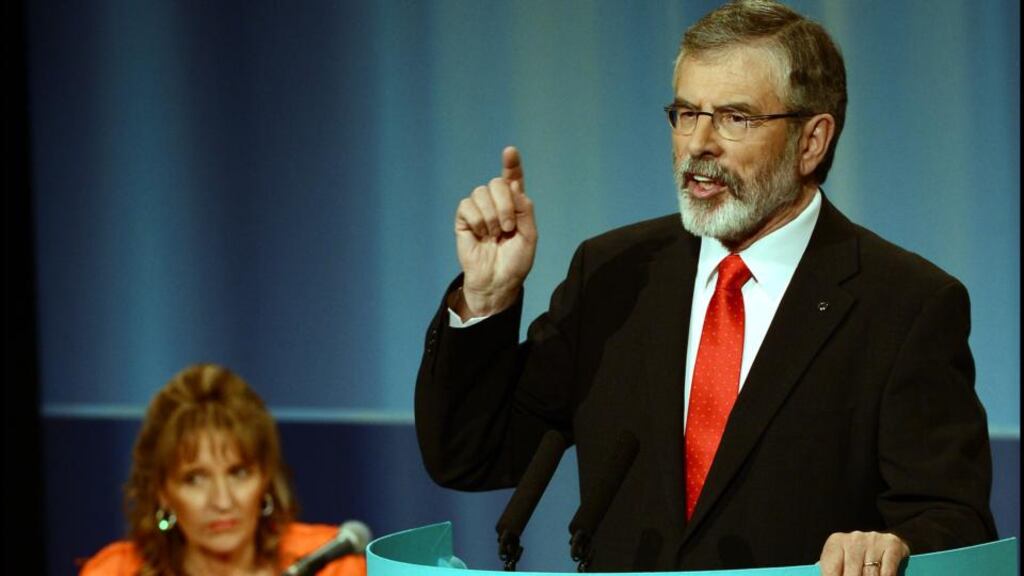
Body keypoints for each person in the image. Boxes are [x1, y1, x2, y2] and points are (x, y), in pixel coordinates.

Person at [414, 1, 997, 575]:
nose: (698, 144)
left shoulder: (905, 304)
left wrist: (891, 546)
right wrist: (486, 299)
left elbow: (953, 520)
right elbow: (471, 456)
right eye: (687, 113)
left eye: (734, 118)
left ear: (812, 141)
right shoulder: (615, 273)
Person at [81, 364, 367, 576]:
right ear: (162, 491)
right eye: (195, 479)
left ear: (265, 478)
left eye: (238, 473)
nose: (222, 501)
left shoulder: (329, 564)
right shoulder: (115, 571)